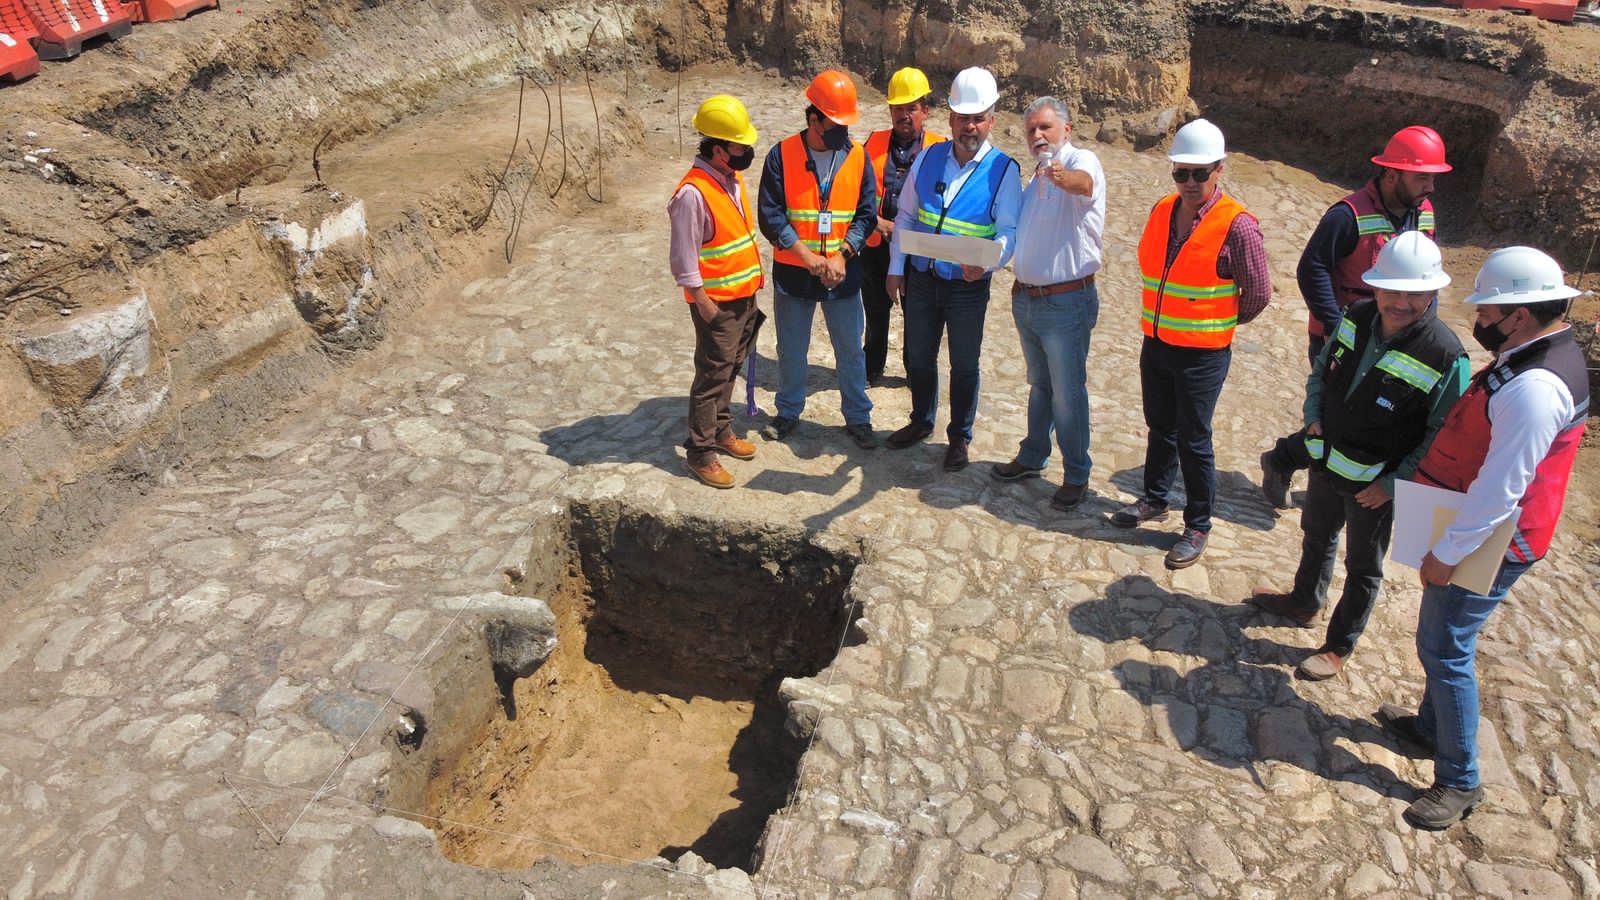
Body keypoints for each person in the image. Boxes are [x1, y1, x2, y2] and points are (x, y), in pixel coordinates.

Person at [1375, 246, 1587, 830]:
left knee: (1445, 648)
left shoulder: (1535, 388)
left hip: (1493, 538)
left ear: (1517, 316)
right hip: (1479, 524)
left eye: (1488, 311)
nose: (1480, 320)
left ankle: (1461, 780)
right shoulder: (1536, 352)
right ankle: (1430, 727)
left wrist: (1448, 553)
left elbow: (1503, 489)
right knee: (1441, 639)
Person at [1249, 232, 1468, 680]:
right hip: (1327, 461)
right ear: (1375, 286)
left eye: (1415, 294)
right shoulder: (1357, 316)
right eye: (1392, 290)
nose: (1401, 303)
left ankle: (1337, 646)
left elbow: (1441, 434)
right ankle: (1304, 601)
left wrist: (1392, 485)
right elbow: (1322, 373)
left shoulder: (1446, 356)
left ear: (1432, 293)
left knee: (1363, 566)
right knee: (1316, 533)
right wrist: (1312, 414)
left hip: (1377, 487)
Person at [1260, 126, 1451, 508]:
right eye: (1422, 177)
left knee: (1371, 420)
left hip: (1398, 340)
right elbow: (1312, 268)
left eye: (1433, 177)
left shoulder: (1424, 213)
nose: (1430, 186)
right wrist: (1338, 328)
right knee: (1337, 418)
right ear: (1392, 174)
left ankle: (1309, 470)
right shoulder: (1347, 216)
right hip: (1344, 338)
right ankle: (1292, 466)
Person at [1111, 118, 1271, 569]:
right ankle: (1154, 498)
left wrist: (1214, 322)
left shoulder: (1237, 226)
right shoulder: (1162, 210)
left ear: (1220, 169)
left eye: (1200, 173)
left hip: (1202, 353)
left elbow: (1258, 292)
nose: (1190, 182)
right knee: (1160, 426)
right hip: (1158, 341)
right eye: (1181, 172)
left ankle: (1198, 523)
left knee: (1195, 440)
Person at [884, 66, 1022, 472]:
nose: (970, 127)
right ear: (950, 119)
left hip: (967, 286)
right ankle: (921, 420)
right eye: (963, 118)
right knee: (919, 357)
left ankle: (959, 436)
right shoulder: (928, 159)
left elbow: (1009, 233)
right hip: (923, 279)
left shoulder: (1004, 171)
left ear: (991, 120)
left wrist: (988, 263)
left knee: (964, 364)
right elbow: (906, 216)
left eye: (978, 118)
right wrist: (896, 269)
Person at [990, 95, 1105, 510]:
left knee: (1067, 394)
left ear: (1066, 130)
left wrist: (1060, 175)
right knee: (1040, 386)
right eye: (1031, 130)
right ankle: (1033, 455)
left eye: (1046, 128)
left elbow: (1084, 186)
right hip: (1028, 301)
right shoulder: (1036, 177)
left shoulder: (1080, 162)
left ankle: (1077, 473)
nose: (1037, 136)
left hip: (1065, 303)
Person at [756, 69, 879, 449]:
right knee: (791, 351)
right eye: (836, 124)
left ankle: (858, 417)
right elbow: (771, 216)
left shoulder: (858, 156)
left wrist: (843, 255)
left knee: (849, 350)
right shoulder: (782, 155)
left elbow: (865, 214)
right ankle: (788, 411)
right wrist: (808, 258)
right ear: (814, 119)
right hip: (795, 274)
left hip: (844, 274)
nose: (844, 132)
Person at [668, 95, 766, 489]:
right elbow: (683, 259)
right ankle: (701, 452)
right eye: (740, 145)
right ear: (717, 148)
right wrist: (704, 304)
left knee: (731, 368)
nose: (746, 151)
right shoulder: (692, 194)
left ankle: (722, 432)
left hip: (743, 297)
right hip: (717, 305)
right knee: (712, 375)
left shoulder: (731, 179)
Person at [861, 67, 946, 386]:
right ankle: (872, 366)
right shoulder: (873, 142)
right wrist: (877, 222)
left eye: (911, 108)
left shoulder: (941, 149)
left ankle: (915, 370)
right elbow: (860, 192)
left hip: (918, 250)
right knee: (876, 309)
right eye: (898, 108)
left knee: (918, 314)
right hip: (876, 245)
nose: (904, 115)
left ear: (925, 110)